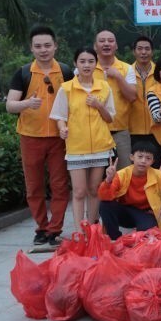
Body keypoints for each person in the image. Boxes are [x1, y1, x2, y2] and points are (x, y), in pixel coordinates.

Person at [6, 26, 73, 245]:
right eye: (38, 46)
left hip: (59, 137)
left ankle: (55, 229)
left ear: (55, 46)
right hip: (30, 136)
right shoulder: (23, 73)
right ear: (31, 48)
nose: (43, 50)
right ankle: (41, 227)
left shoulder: (65, 72)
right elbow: (10, 105)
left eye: (47, 45)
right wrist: (28, 103)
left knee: (60, 185)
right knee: (34, 186)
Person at [49, 47, 116, 229]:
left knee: (95, 190)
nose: (87, 65)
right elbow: (59, 116)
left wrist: (98, 105)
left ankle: (92, 228)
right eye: (82, 61)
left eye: (91, 61)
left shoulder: (104, 87)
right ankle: (80, 231)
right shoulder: (67, 88)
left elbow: (110, 117)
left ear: (96, 64)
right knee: (79, 191)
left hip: (101, 146)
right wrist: (62, 129)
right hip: (77, 148)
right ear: (75, 63)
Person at [98, 140, 161, 240]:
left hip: (145, 213)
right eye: (140, 157)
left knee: (148, 235)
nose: (143, 161)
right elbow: (104, 197)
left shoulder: (157, 175)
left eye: (148, 158)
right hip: (125, 211)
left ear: (153, 161)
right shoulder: (122, 174)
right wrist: (108, 180)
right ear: (132, 157)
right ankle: (115, 239)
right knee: (105, 205)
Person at [93, 30, 137, 169]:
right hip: (93, 131)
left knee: (124, 173)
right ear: (95, 46)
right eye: (102, 41)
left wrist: (118, 76)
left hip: (120, 131)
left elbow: (132, 97)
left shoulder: (127, 68)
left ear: (116, 45)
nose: (106, 44)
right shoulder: (86, 68)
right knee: (96, 176)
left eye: (110, 41)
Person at [128, 35, 160, 166]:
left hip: (157, 130)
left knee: (156, 168)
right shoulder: (125, 71)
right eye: (140, 49)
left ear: (152, 51)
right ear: (134, 51)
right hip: (132, 129)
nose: (143, 52)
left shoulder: (160, 72)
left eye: (147, 49)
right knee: (135, 169)